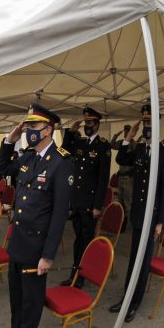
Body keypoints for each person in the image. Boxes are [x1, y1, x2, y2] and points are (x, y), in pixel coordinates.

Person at [0, 103, 73, 328]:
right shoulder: (27, 156)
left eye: (34, 126)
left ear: (48, 130)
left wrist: (48, 255)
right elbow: (1, 169)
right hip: (18, 239)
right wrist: (9, 141)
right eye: (26, 126)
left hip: (37, 245)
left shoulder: (62, 162)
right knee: (16, 295)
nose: (28, 130)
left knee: (31, 298)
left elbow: (59, 215)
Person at [108, 104, 164, 322]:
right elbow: (121, 160)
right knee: (134, 258)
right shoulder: (139, 149)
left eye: (151, 122)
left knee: (143, 261)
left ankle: (135, 302)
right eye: (146, 122)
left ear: (158, 123)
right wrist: (127, 138)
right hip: (139, 214)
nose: (148, 126)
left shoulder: (163, 152)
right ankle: (127, 296)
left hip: (153, 215)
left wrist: (161, 222)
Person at [59, 106, 111, 288]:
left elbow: (103, 178)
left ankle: (81, 277)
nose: (87, 125)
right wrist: (70, 132)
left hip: (90, 203)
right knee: (78, 240)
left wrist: (98, 205)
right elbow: (63, 152)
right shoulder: (79, 143)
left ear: (97, 124)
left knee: (87, 241)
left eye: (90, 122)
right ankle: (75, 274)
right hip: (78, 201)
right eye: (85, 122)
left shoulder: (103, 146)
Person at [111, 124, 134, 230]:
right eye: (125, 131)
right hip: (121, 177)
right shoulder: (121, 142)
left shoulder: (134, 144)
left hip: (129, 178)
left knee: (128, 201)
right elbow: (112, 145)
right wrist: (115, 136)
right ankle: (122, 223)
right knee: (120, 201)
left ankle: (131, 223)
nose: (126, 133)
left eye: (128, 131)